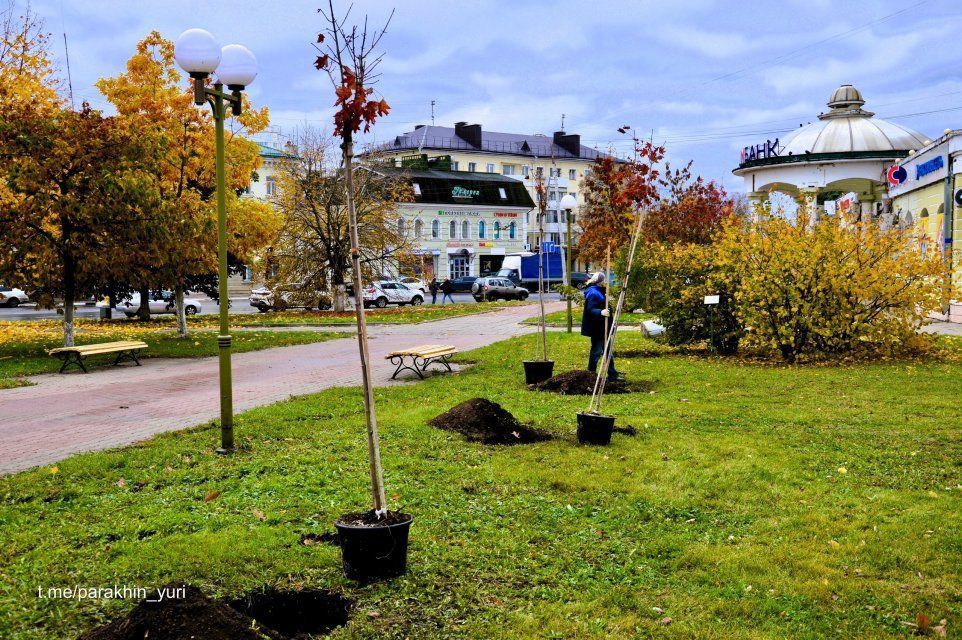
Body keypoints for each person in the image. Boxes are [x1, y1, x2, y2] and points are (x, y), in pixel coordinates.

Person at [581, 272, 621, 380]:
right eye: (604, 280)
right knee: (596, 352)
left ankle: (612, 374)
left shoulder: (598, 291)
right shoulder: (593, 293)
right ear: (600, 281)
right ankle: (590, 374)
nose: (606, 282)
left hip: (604, 327)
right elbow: (590, 309)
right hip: (598, 328)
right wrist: (601, 312)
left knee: (608, 352)